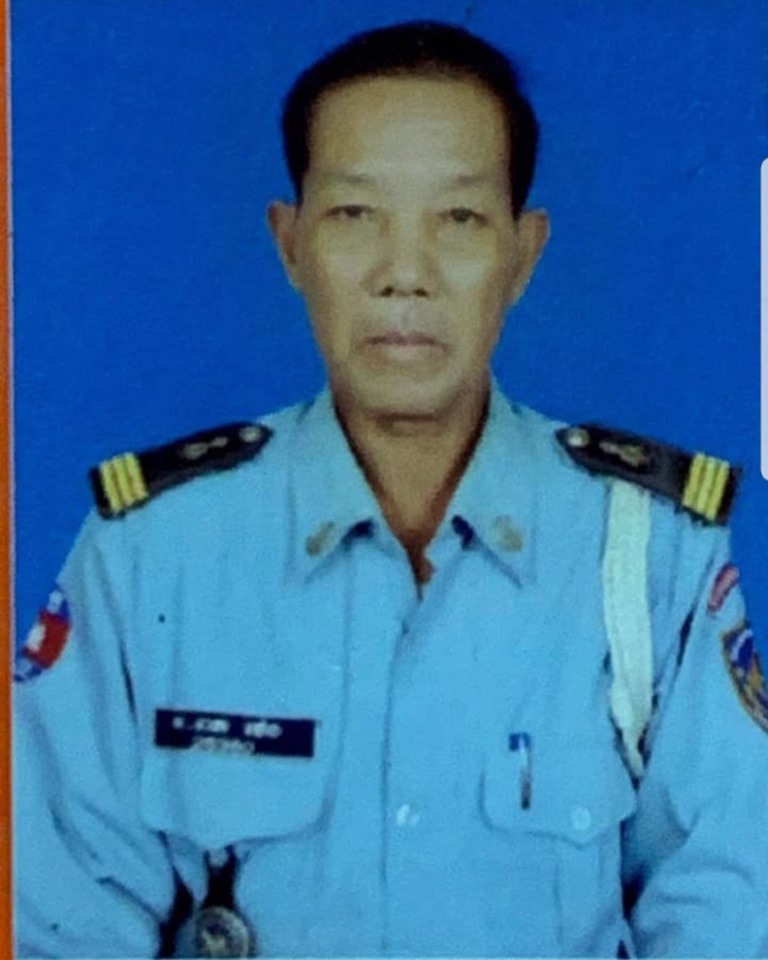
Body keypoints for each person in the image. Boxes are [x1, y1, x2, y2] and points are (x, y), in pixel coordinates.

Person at [13, 19, 768, 959]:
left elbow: (725, 912)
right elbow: (58, 921)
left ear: (524, 254)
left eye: (459, 220)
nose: (404, 275)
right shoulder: (149, 551)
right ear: (290, 244)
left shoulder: (650, 551)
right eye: (354, 215)